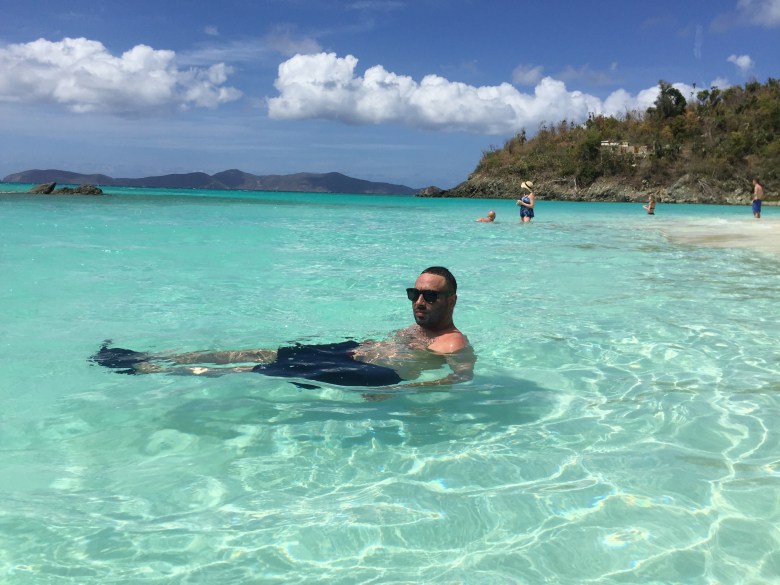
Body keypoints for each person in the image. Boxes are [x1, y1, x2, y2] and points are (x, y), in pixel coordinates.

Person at [91, 267, 475, 389]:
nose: (419, 302)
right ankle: (153, 356)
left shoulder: (453, 342)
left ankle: (152, 370)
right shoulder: (417, 329)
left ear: (451, 301)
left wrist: (404, 391)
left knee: (260, 368)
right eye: (414, 293)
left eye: (431, 297)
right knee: (264, 352)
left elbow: (459, 380)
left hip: (373, 373)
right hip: (353, 351)